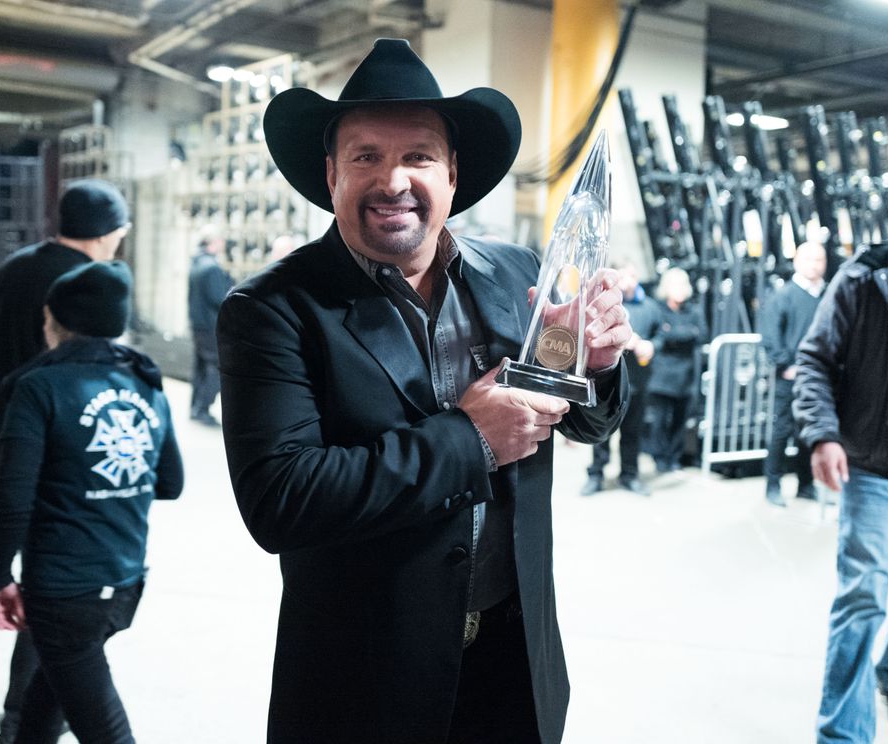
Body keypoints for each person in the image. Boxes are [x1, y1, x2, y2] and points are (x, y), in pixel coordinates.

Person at [216, 39, 631, 744]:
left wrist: (590, 365)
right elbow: (280, 500)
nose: (393, 180)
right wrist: (468, 439)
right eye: (366, 156)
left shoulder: (514, 274)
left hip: (514, 662)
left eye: (418, 156)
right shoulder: (274, 309)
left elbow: (584, 425)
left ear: (452, 171)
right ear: (331, 173)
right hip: (366, 683)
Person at [0, 261, 184, 744]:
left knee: (104, 729)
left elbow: (12, 497)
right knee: (44, 701)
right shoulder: (145, 383)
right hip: (124, 582)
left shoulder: (38, 387)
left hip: (63, 591)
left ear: (54, 321)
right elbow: (170, 482)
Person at [0, 178, 130, 744]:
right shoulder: (92, 285)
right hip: (68, 451)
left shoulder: (11, 270)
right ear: (107, 233)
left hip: (6, 435)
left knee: (43, 581)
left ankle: (33, 713)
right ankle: (27, 717)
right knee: (60, 590)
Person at [794, 242, 888, 743]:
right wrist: (823, 434)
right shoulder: (860, 281)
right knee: (865, 596)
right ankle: (843, 736)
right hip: (873, 469)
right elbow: (814, 359)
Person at [581, 261, 661, 496]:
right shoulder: (603, 306)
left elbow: (660, 335)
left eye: (634, 275)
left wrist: (652, 345)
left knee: (632, 431)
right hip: (606, 382)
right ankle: (596, 475)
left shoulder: (650, 307)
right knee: (600, 432)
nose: (630, 280)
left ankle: (629, 475)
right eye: (625, 275)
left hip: (638, 381)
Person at [759, 241, 826, 506]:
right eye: (809, 258)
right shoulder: (783, 296)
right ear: (797, 261)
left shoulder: (828, 294)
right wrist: (787, 365)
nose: (814, 264)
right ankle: (772, 486)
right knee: (782, 431)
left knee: (809, 433)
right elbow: (771, 336)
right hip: (791, 378)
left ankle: (806, 485)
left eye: (819, 259)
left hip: (821, 378)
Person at [643, 266, 705, 473]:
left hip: (685, 376)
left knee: (680, 420)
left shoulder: (694, 311)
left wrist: (675, 334)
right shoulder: (657, 309)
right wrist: (683, 334)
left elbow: (701, 334)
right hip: (661, 376)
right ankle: (659, 458)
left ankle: (674, 457)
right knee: (659, 420)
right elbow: (663, 335)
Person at [188, 227, 234, 426]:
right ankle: (203, 408)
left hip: (198, 324)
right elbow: (219, 298)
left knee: (200, 367)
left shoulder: (196, 264)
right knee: (215, 367)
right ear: (213, 243)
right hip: (210, 324)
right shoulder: (212, 267)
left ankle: (196, 407)